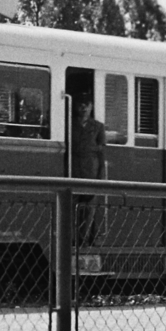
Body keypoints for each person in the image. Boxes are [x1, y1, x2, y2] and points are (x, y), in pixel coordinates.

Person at [71, 95, 108, 246]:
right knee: (73, 205)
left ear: (92, 106)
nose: (84, 108)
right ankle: (74, 238)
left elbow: (102, 150)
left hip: (90, 169)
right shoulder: (70, 123)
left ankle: (83, 239)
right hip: (73, 166)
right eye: (81, 105)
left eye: (87, 105)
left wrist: (100, 175)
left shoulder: (98, 126)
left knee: (89, 206)